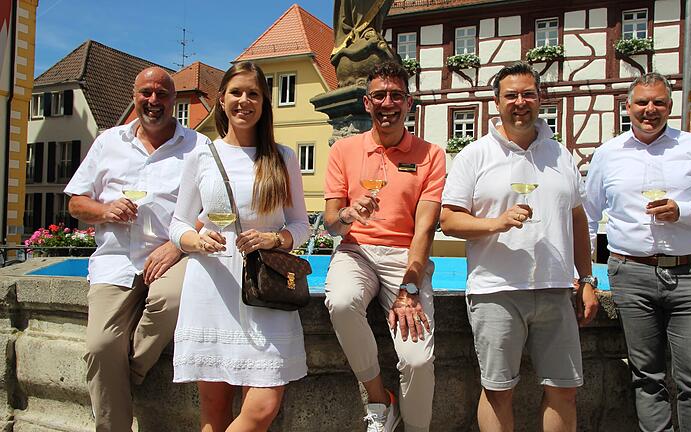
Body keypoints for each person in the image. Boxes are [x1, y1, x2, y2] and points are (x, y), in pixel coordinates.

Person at [440, 61, 599, 432]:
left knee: (565, 389)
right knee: (498, 391)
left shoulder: (561, 155)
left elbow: (578, 219)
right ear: (497, 102)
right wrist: (496, 223)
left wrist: (587, 278)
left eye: (528, 94)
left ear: (540, 99)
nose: (520, 102)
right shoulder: (475, 155)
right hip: (496, 291)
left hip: (556, 290)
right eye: (511, 95)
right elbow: (448, 220)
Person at [583, 72, 691, 431]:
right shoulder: (608, 154)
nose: (650, 110)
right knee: (645, 375)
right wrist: (587, 277)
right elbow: (589, 218)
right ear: (628, 107)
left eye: (659, 103)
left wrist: (685, 211)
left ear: (669, 107)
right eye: (642, 102)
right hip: (631, 273)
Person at [65, 67, 210, 431]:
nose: (153, 101)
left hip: (172, 254)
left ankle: (122, 378)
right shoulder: (108, 142)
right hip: (115, 260)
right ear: (135, 95)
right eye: (146, 93)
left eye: (162, 94)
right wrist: (104, 210)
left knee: (171, 301)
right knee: (99, 347)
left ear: (174, 100)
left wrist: (178, 246)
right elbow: (75, 204)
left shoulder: (198, 146)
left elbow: (212, 212)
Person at [169, 61, 310, 432]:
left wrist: (275, 238)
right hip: (212, 284)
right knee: (213, 417)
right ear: (221, 100)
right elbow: (178, 224)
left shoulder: (283, 157)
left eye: (253, 94)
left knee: (262, 409)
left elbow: (301, 225)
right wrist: (195, 239)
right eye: (236, 92)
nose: (244, 101)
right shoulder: (201, 154)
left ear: (264, 103)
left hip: (266, 286)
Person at [323, 61, 446, 432]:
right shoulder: (343, 150)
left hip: (405, 258)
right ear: (366, 103)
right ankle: (379, 400)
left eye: (395, 95)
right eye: (379, 95)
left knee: (418, 360)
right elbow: (330, 224)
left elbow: (424, 229)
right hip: (355, 250)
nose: (387, 102)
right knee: (341, 302)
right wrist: (348, 214)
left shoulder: (431, 155)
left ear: (409, 103)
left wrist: (410, 286)